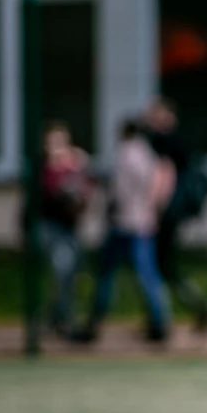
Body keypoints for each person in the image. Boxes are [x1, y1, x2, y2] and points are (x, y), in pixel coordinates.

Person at [75, 119, 173, 344]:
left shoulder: (126, 154)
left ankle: (94, 323)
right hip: (144, 223)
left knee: (107, 274)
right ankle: (159, 322)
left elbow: (120, 190)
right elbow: (159, 187)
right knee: (148, 274)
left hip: (125, 224)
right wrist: (152, 210)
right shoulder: (149, 155)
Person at [144, 97, 207, 335]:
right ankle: (189, 308)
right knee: (163, 266)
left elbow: (163, 179)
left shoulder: (164, 143)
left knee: (159, 266)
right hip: (171, 213)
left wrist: (154, 209)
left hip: (165, 214)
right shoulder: (178, 142)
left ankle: (162, 319)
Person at [37, 122, 92, 336]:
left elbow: (84, 193)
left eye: (60, 143)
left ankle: (59, 317)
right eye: (52, 143)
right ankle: (60, 319)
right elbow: (48, 195)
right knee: (60, 272)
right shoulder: (44, 169)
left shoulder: (75, 166)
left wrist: (78, 165)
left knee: (69, 275)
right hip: (51, 227)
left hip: (69, 227)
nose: (56, 148)